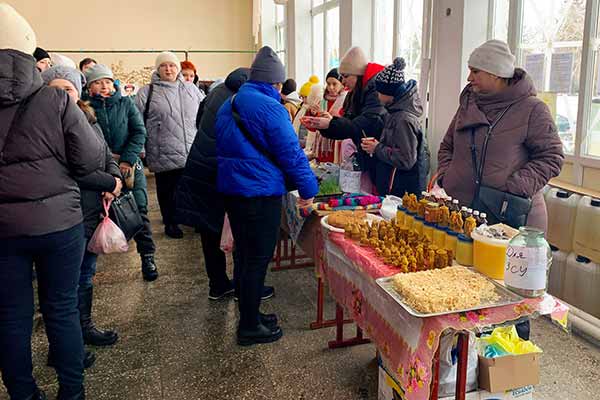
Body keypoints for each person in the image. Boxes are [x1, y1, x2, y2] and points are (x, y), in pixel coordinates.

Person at [0, 5, 105, 399]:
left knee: (11, 318)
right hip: (59, 224)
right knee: (62, 310)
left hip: (4, 231)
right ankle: (72, 392)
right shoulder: (56, 102)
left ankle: (23, 394)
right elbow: (91, 159)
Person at [215, 46, 318, 346]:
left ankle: (252, 314)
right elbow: (292, 155)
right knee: (257, 259)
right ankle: (249, 325)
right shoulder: (269, 107)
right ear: (275, 82)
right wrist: (308, 193)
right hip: (259, 194)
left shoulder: (231, 101)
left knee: (245, 257)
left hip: (234, 192)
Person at [437, 40, 564, 231]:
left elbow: (551, 157)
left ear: (496, 74)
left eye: (475, 71)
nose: (469, 78)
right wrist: (447, 177)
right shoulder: (468, 104)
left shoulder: (532, 109)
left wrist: (514, 187)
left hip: (510, 218)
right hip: (464, 214)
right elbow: (448, 145)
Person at [43, 66, 122, 348]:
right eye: (56, 89)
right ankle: (65, 343)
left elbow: (103, 150)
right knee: (64, 283)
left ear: (78, 91)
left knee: (86, 274)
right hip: (66, 211)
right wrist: (109, 182)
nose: (63, 95)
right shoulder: (44, 124)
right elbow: (74, 168)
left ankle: (84, 327)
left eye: (68, 89)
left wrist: (115, 177)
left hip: (92, 209)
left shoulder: (87, 117)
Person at [176, 67, 252, 300]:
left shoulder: (216, 92)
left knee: (209, 230)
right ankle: (243, 289)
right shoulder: (242, 100)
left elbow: (199, 123)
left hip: (200, 164)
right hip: (222, 170)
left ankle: (218, 284)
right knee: (241, 229)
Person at [84, 63, 159, 281]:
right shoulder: (84, 108)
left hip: (128, 167)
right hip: (99, 169)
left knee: (138, 211)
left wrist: (126, 158)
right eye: (98, 82)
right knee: (97, 214)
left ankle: (147, 256)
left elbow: (139, 132)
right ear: (90, 87)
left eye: (107, 81)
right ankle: (89, 266)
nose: (104, 86)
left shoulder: (126, 104)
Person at [136, 52, 204, 239]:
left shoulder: (191, 90)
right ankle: (171, 222)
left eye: (172, 66)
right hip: (162, 150)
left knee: (191, 187)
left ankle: (191, 219)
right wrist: (140, 148)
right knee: (167, 190)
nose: (168, 69)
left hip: (190, 149)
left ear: (178, 69)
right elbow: (137, 123)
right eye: (164, 66)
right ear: (157, 69)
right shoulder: (146, 92)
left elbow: (203, 117)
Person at [302, 46, 386, 189]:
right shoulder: (355, 92)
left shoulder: (374, 91)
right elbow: (348, 123)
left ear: (358, 75)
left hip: (380, 160)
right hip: (368, 156)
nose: (343, 81)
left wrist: (329, 124)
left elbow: (363, 123)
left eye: (345, 76)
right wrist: (326, 125)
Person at [361, 57, 430, 196]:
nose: (377, 96)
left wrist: (377, 148)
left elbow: (406, 159)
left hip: (403, 191)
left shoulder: (403, 119)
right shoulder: (395, 112)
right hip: (398, 187)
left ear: (389, 93)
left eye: (379, 92)